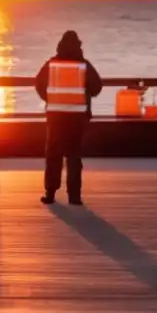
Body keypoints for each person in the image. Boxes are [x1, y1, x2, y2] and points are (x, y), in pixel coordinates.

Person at [34, 30, 103, 205]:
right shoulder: (84, 65)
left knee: (53, 155)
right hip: (77, 117)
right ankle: (74, 196)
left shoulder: (51, 64)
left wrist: (50, 98)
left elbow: (39, 84)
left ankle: (50, 193)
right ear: (79, 46)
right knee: (74, 156)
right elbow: (97, 88)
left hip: (56, 116)